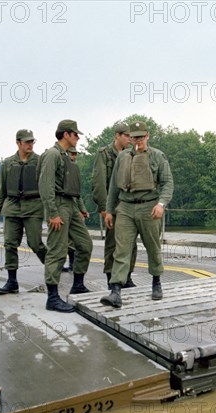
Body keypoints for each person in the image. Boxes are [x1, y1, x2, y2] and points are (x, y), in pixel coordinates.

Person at [100, 121, 174, 308]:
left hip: (149, 207)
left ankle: (156, 282)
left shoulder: (157, 156)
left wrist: (161, 204)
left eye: (142, 136)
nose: (138, 140)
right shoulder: (123, 157)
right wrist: (109, 210)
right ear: (130, 137)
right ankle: (116, 290)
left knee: (152, 246)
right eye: (135, 137)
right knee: (121, 249)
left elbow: (167, 183)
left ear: (147, 136)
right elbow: (113, 189)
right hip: (125, 207)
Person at [39, 119, 93, 313]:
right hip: (59, 206)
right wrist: (52, 213)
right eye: (75, 134)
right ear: (65, 134)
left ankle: (78, 284)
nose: (78, 137)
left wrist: (80, 206)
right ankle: (52, 298)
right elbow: (45, 186)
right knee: (57, 251)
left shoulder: (66, 157)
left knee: (85, 244)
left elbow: (71, 186)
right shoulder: (52, 155)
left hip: (71, 205)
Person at [0, 129, 47, 294]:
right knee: (10, 244)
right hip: (12, 207)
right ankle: (12, 281)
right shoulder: (8, 163)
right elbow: (1, 188)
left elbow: (47, 185)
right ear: (18, 143)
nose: (30, 145)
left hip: (34, 207)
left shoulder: (40, 161)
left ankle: (52, 268)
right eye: (27, 142)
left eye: (32, 142)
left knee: (35, 243)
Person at [91, 123, 137, 288]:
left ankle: (127, 277)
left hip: (129, 206)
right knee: (112, 244)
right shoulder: (104, 154)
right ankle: (111, 279)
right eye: (126, 136)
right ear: (117, 135)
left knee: (131, 243)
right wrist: (105, 208)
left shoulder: (131, 154)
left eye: (131, 137)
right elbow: (98, 183)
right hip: (113, 206)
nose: (129, 140)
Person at [62, 146, 89, 272]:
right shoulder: (61, 169)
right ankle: (59, 264)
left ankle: (73, 264)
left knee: (73, 241)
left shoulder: (74, 170)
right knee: (63, 240)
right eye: (71, 154)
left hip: (73, 208)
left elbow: (78, 195)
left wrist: (83, 210)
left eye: (75, 154)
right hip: (62, 207)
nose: (74, 157)